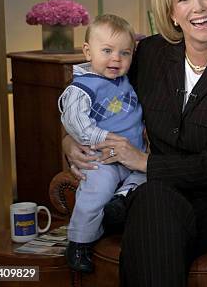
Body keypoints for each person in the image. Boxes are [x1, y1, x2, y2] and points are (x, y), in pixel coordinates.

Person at [62, 0, 207, 286]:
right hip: (144, 195)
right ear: (171, 14)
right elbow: (97, 96)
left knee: (151, 201)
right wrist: (71, 140)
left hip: (205, 204)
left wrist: (143, 162)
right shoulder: (150, 54)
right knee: (151, 200)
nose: (197, 8)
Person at [58, 14, 146, 273]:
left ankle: (119, 203)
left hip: (133, 157)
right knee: (96, 190)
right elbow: (72, 119)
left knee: (144, 178)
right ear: (88, 51)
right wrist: (98, 138)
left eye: (125, 53)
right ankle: (79, 242)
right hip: (101, 157)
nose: (116, 59)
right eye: (107, 51)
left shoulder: (123, 80)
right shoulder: (83, 86)